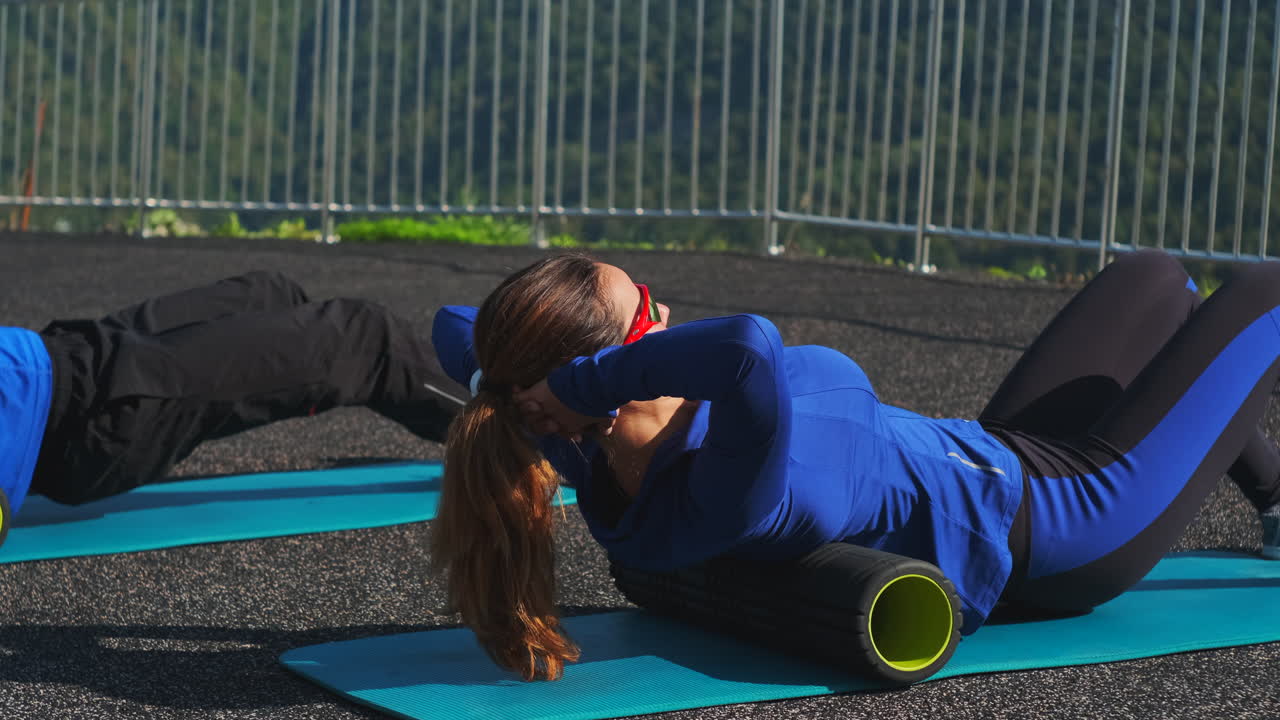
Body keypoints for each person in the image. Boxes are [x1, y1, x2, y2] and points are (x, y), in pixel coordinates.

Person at [429, 250, 1280, 682]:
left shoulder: (567, 434)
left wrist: (546, 382)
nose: (669, 305)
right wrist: (590, 379)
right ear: (627, 360)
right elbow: (747, 349)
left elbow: (453, 322)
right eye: (649, 302)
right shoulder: (730, 480)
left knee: (1157, 279)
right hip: (1072, 515)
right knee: (1263, 290)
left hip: (989, 450)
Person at [0, 270, 461, 518]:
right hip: (84, 417)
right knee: (363, 339)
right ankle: (518, 435)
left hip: (60, 353)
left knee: (270, 293)